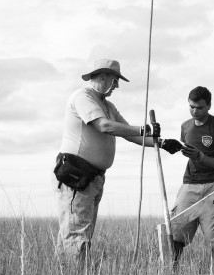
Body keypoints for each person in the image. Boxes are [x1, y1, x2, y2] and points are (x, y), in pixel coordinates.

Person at [55, 58, 164, 262]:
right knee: (77, 236)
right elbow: (104, 126)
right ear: (103, 77)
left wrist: (162, 142)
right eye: (115, 80)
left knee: (80, 233)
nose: (117, 85)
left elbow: (130, 133)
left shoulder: (108, 105)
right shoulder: (83, 97)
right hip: (76, 176)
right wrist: (144, 128)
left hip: (93, 180)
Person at [170, 86, 214, 263]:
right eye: (191, 106)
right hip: (190, 183)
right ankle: (170, 273)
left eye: (199, 107)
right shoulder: (185, 126)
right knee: (176, 231)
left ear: (209, 106)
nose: (194, 111)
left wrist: (200, 156)